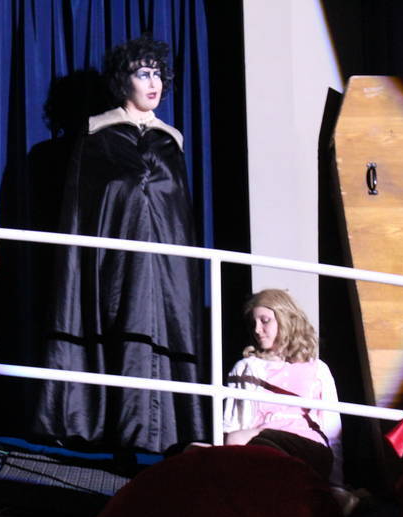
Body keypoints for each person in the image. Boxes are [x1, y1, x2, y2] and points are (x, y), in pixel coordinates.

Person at [33, 35, 206, 453]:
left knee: (163, 330)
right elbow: (86, 211)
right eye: (143, 74)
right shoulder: (97, 136)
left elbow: (177, 213)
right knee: (120, 324)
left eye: (158, 74)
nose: (154, 83)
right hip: (115, 264)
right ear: (122, 81)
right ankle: (117, 429)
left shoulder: (171, 141)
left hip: (166, 270)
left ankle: (168, 431)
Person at [223, 289, 344, 487]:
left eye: (265, 321)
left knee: (242, 442)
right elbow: (232, 423)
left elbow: (333, 429)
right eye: (253, 323)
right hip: (258, 444)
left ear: (285, 319)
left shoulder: (317, 368)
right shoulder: (247, 367)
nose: (257, 329)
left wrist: (336, 483)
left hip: (306, 445)